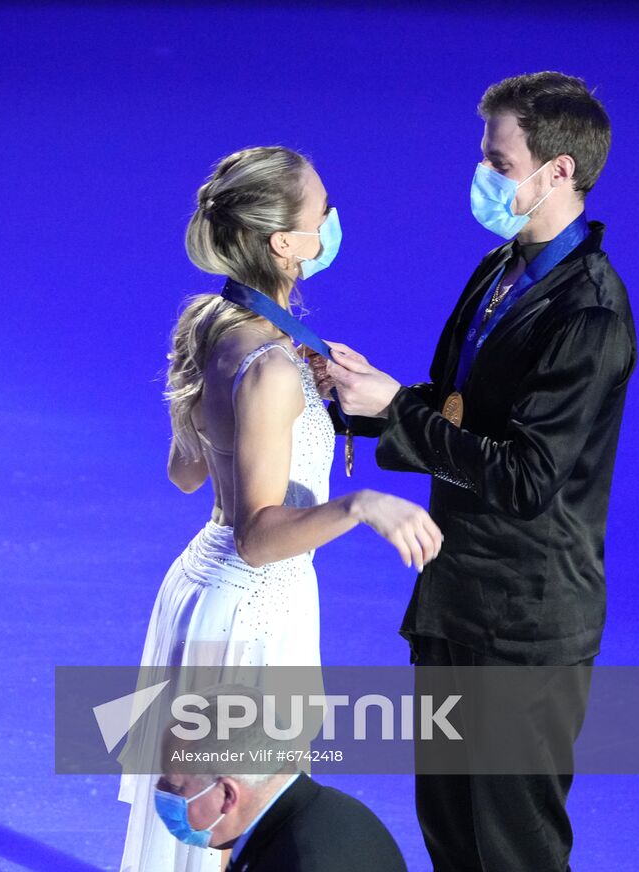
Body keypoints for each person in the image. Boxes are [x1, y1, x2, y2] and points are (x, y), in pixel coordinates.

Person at [320, 71, 634, 872]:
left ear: (557, 171)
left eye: (499, 161)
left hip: (523, 626)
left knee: (514, 849)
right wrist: (365, 400)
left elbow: (528, 477)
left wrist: (399, 411)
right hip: (456, 603)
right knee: (453, 837)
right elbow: (459, 414)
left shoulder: (588, 314)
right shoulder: (500, 269)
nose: (483, 174)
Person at [118, 146, 442, 872]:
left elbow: (185, 470)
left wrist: (299, 392)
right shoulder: (269, 365)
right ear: (285, 245)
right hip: (253, 614)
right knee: (232, 820)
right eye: (321, 209)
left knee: (211, 823)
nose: (333, 218)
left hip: (204, 596)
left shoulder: (211, 323)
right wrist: (359, 504)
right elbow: (261, 536)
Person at [152, 686, 408, 872]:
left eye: (175, 787)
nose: (161, 792)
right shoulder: (326, 811)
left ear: (228, 795)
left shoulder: (297, 861)